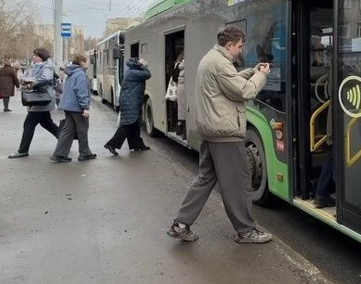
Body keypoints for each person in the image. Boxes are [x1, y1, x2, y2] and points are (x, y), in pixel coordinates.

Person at [167, 25, 273, 244]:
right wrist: (261, 76)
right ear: (230, 44)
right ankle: (246, 231)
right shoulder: (221, 63)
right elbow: (246, 91)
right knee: (238, 183)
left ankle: (181, 224)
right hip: (225, 134)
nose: (241, 51)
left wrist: (251, 71)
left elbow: (227, 82)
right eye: (240, 46)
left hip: (211, 132)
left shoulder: (211, 59)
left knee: (205, 179)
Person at [9, 48, 60, 158]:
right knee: (46, 123)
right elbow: (25, 76)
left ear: (42, 56)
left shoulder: (47, 66)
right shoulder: (33, 66)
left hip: (43, 98)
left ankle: (23, 150)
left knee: (29, 123)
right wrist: (25, 80)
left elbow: (45, 79)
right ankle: (65, 141)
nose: (34, 57)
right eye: (34, 55)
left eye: (36, 56)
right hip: (37, 98)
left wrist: (31, 82)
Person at [51, 53, 95, 162]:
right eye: (87, 61)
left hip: (68, 106)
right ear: (82, 62)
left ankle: (59, 154)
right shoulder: (81, 74)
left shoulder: (71, 73)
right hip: (77, 107)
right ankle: (84, 153)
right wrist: (85, 107)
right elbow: (82, 92)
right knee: (82, 130)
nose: (89, 63)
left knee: (68, 130)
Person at [104, 57, 151, 155]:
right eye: (138, 62)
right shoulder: (133, 73)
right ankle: (112, 144)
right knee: (127, 125)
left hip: (131, 102)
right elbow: (148, 74)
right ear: (136, 64)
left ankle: (137, 145)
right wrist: (144, 66)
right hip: (130, 102)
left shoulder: (132, 72)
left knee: (134, 124)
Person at [174, 53, 187, 137]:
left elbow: (174, 77)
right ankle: (183, 132)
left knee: (180, 109)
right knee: (185, 110)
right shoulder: (186, 67)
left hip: (179, 89)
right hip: (184, 90)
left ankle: (179, 129)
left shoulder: (178, 66)